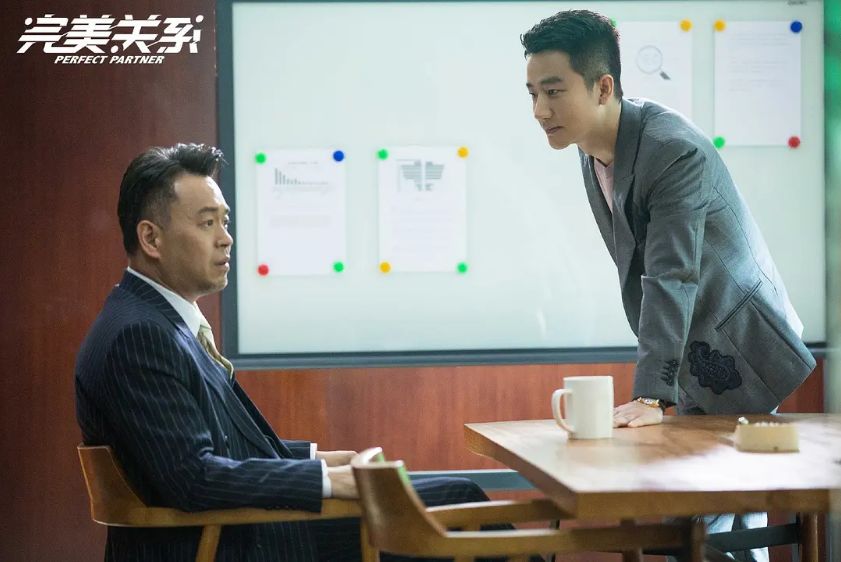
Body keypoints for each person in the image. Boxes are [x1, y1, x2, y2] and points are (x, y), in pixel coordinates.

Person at [75, 143, 512, 562]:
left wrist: (314, 458)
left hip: (242, 532)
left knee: (455, 497)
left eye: (225, 222)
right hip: (234, 543)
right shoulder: (139, 335)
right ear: (151, 238)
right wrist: (327, 481)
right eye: (207, 223)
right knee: (459, 502)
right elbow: (194, 477)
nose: (226, 239)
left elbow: (212, 446)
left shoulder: (153, 319)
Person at [520, 10, 815, 562]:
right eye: (533, 93)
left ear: (603, 86)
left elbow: (671, 273)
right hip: (688, 347)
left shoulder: (672, 149)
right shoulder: (591, 150)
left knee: (708, 513)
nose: (540, 110)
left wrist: (652, 393)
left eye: (554, 92)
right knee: (718, 518)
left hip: (740, 343)